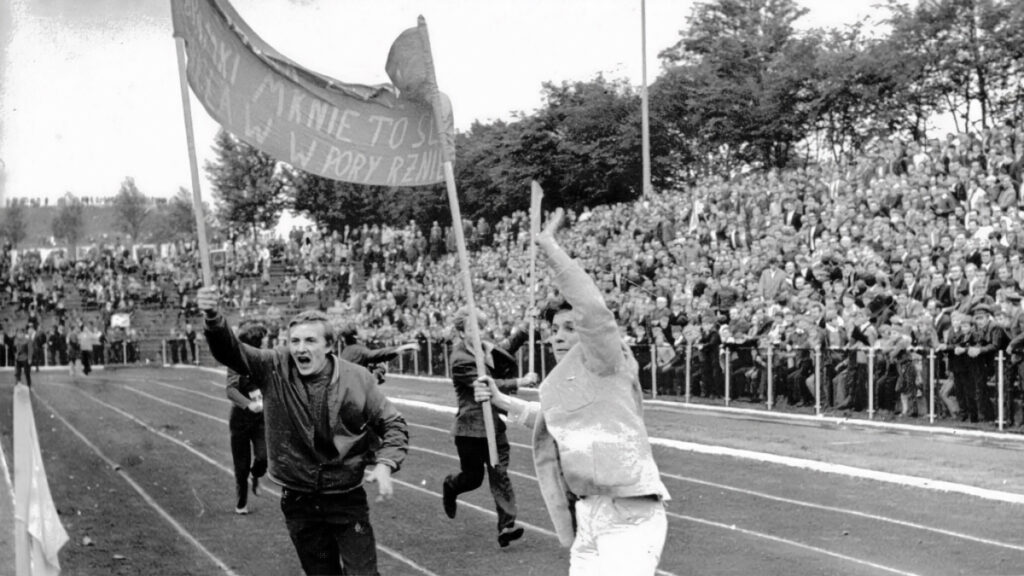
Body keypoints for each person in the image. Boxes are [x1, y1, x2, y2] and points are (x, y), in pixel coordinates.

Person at [474, 208, 669, 574]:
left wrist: (549, 247)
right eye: (554, 331)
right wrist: (502, 402)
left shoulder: (606, 359)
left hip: (629, 510)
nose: (558, 337)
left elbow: (592, 308)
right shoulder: (565, 381)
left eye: (568, 328)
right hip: (588, 512)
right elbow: (549, 419)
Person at [197, 286, 408, 576]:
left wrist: (385, 464)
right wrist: (213, 317)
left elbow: (393, 423)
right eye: (294, 341)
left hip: (346, 499)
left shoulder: (358, 379)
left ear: (329, 346)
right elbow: (231, 352)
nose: (300, 348)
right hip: (299, 503)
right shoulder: (273, 367)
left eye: (310, 340)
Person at [442, 306, 535, 548]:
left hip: (494, 426)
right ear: (461, 332)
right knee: (473, 479)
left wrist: (526, 326)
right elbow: (488, 384)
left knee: (499, 473)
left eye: (482, 327)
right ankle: (450, 486)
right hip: (470, 430)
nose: (480, 332)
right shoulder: (460, 359)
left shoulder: (486, 348)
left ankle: (506, 525)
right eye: (474, 328)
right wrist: (521, 381)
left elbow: (507, 346)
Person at [225, 320, 269, 515]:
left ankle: (256, 475)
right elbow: (230, 390)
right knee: (241, 465)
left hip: (260, 419)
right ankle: (241, 499)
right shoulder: (236, 362)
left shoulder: (265, 360)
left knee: (264, 457)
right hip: (241, 419)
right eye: (261, 342)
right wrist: (249, 403)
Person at [338, 324, 419, 385]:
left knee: (379, 367)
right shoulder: (357, 350)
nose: (365, 331)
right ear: (356, 337)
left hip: (346, 387)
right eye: (361, 329)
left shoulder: (347, 350)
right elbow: (377, 355)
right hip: (353, 390)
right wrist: (400, 349)